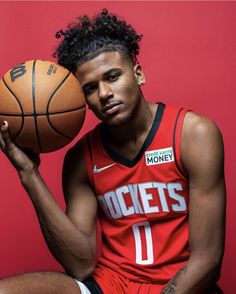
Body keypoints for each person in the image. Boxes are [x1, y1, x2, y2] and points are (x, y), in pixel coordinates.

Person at [0, 9, 226, 294]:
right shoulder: (82, 158)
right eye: (91, 88)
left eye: (113, 76)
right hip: (111, 285)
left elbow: (207, 261)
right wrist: (29, 173)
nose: (104, 93)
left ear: (138, 73)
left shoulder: (193, 135)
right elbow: (80, 265)